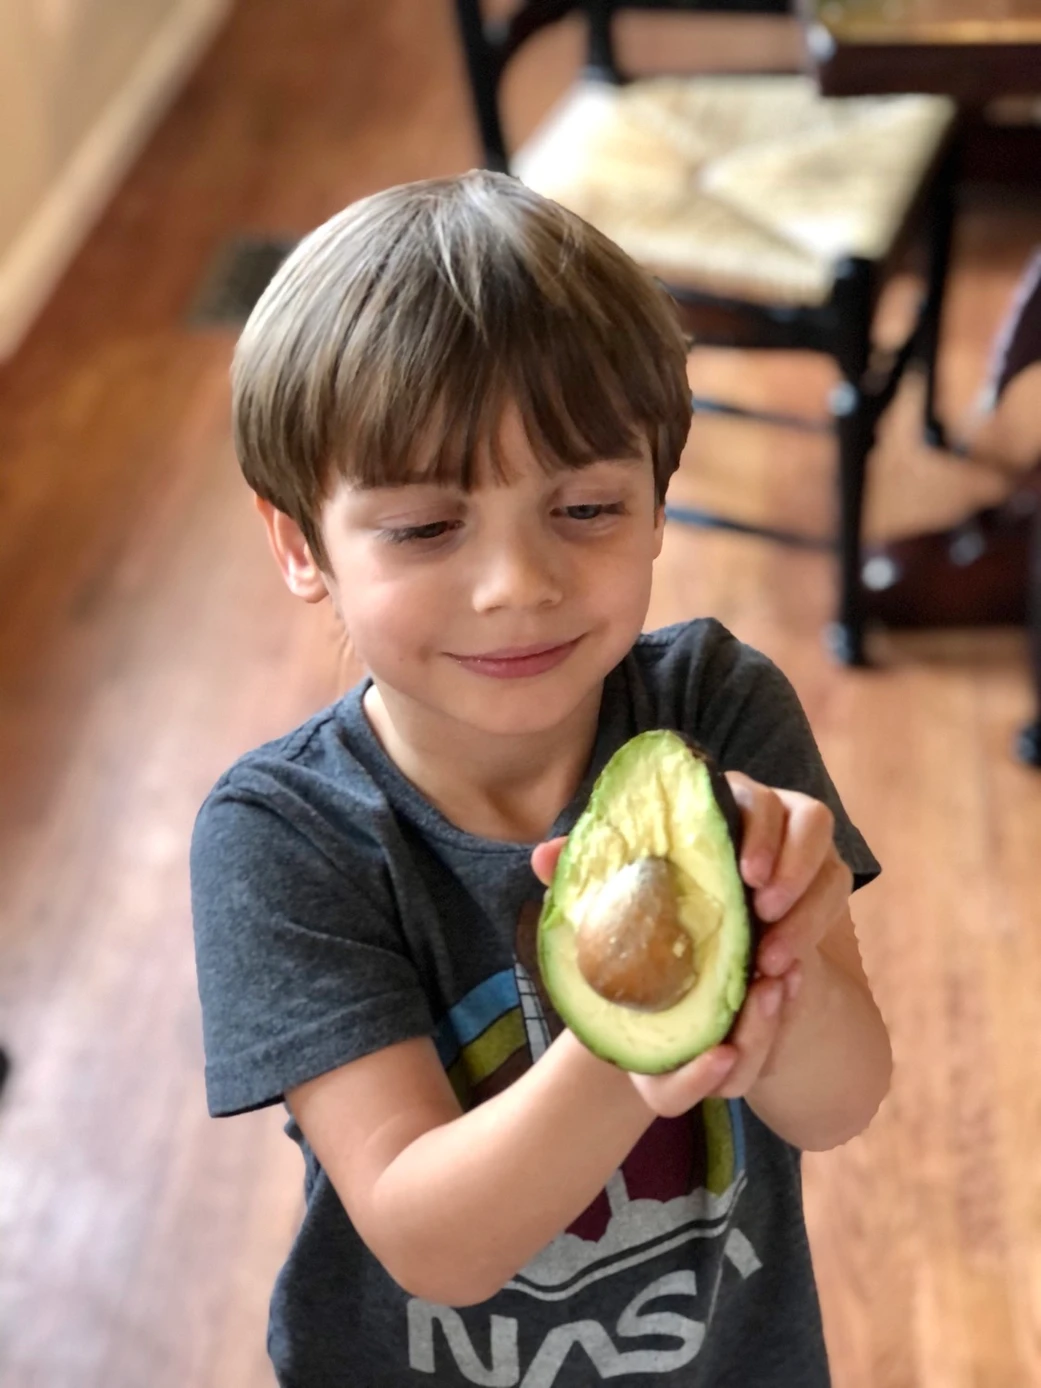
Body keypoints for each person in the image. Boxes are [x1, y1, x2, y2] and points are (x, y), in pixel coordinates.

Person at [190, 169, 891, 1388]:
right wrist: (644, 1019)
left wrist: (782, 953)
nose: (518, 581)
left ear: (662, 504)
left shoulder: (719, 710)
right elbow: (429, 1235)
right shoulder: (281, 836)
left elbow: (839, 1103)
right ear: (302, 544)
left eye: (584, 506)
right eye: (423, 527)